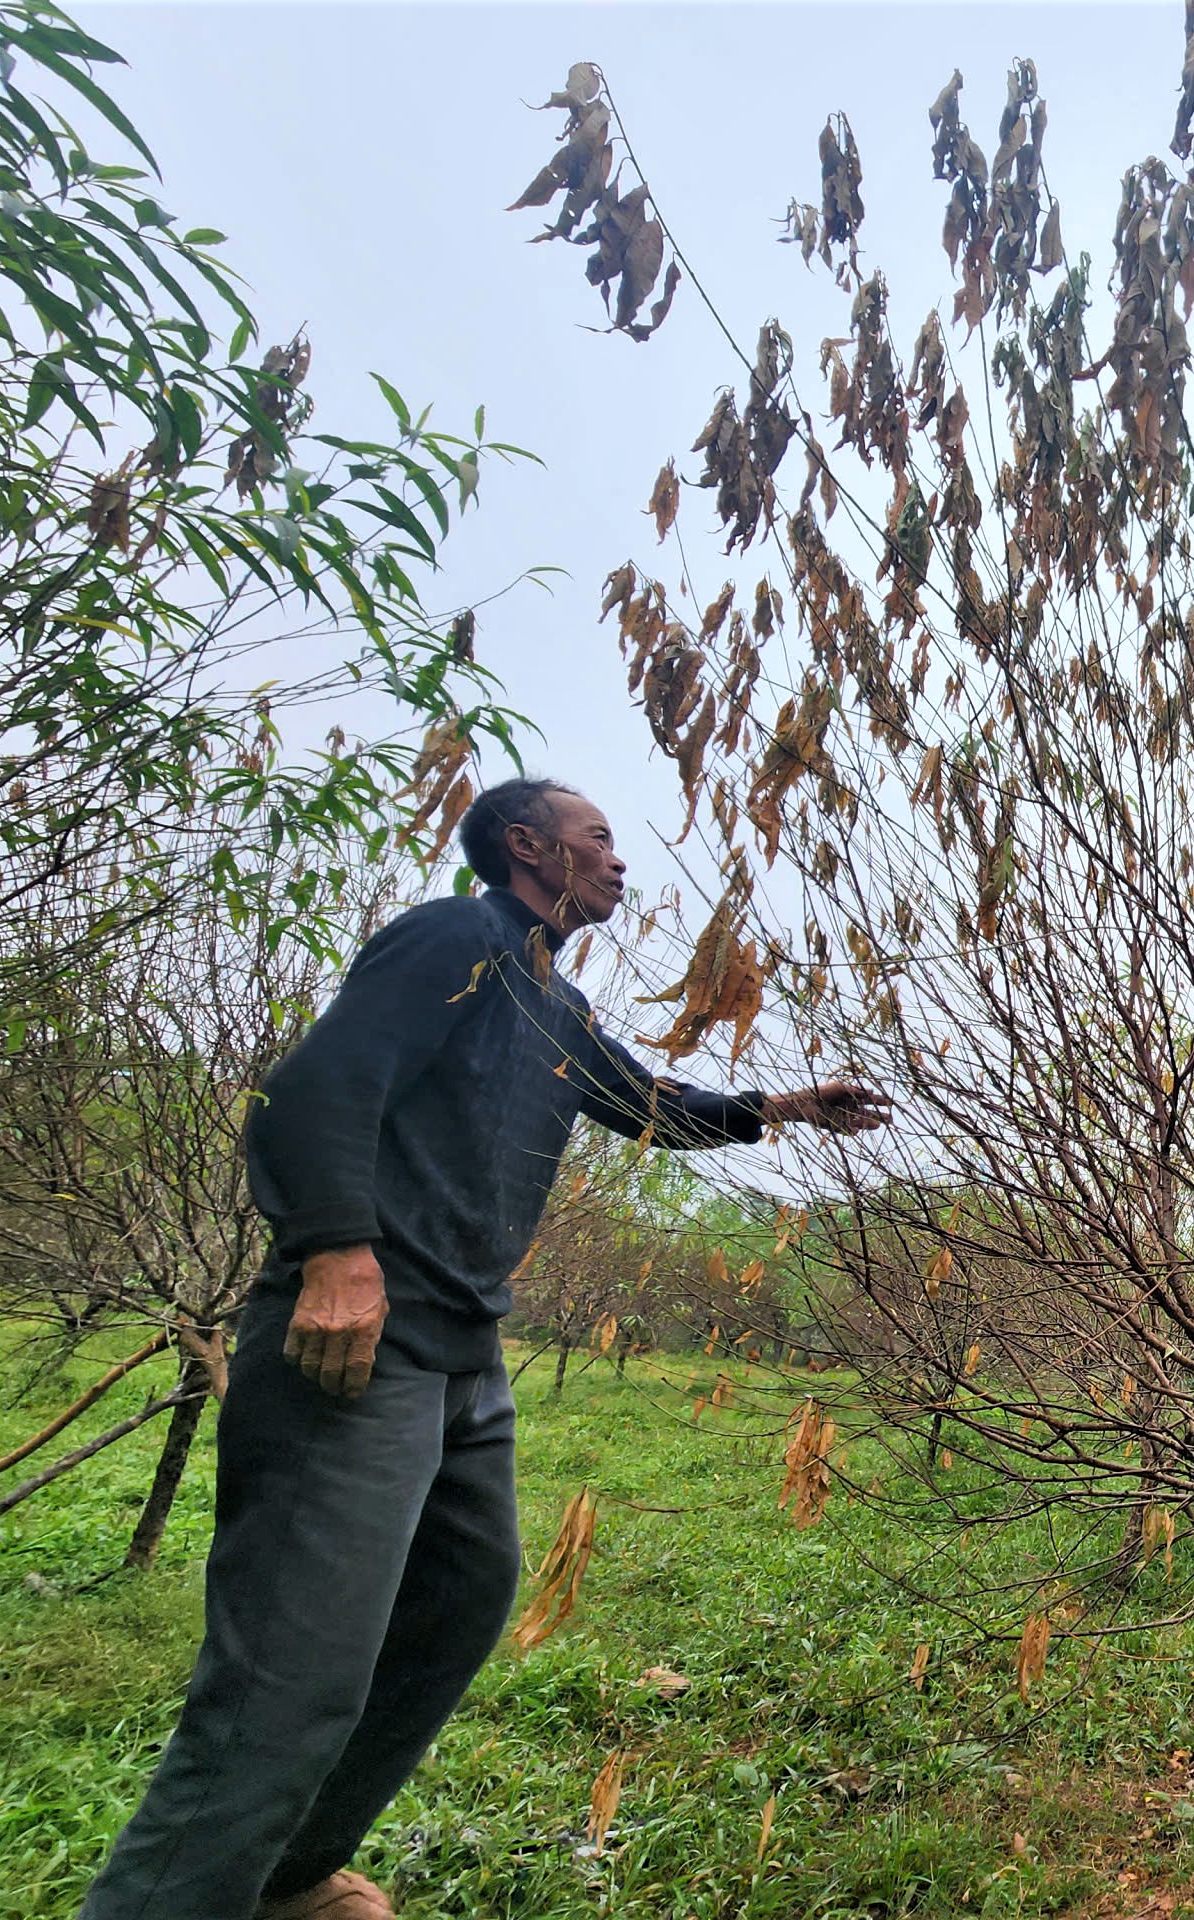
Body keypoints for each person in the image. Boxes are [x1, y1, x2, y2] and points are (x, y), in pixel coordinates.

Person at [78, 777, 888, 1920]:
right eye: (597, 840)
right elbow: (312, 1088)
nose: (619, 863)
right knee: (287, 1680)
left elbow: (645, 1101)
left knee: (460, 1601)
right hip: (360, 1346)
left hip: (465, 1358)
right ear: (526, 847)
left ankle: (289, 1879)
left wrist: (785, 1104)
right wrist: (334, 1254)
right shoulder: (458, 936)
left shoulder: (552, 1000)